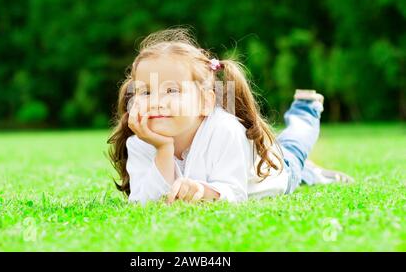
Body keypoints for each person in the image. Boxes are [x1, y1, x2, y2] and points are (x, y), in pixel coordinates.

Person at [107, 28, 353, 205]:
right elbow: (143, 203)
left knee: (293, 151)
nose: (156, 101)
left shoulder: (224, 130)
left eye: (172, 90)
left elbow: (235, 193)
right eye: (145, 91)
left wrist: (203, 192)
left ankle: (305, 111)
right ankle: (313, 174)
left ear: (205, 102)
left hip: (274, 172)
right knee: (304, 170)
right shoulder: (140, 141)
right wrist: (163, 149)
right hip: (248, 162)